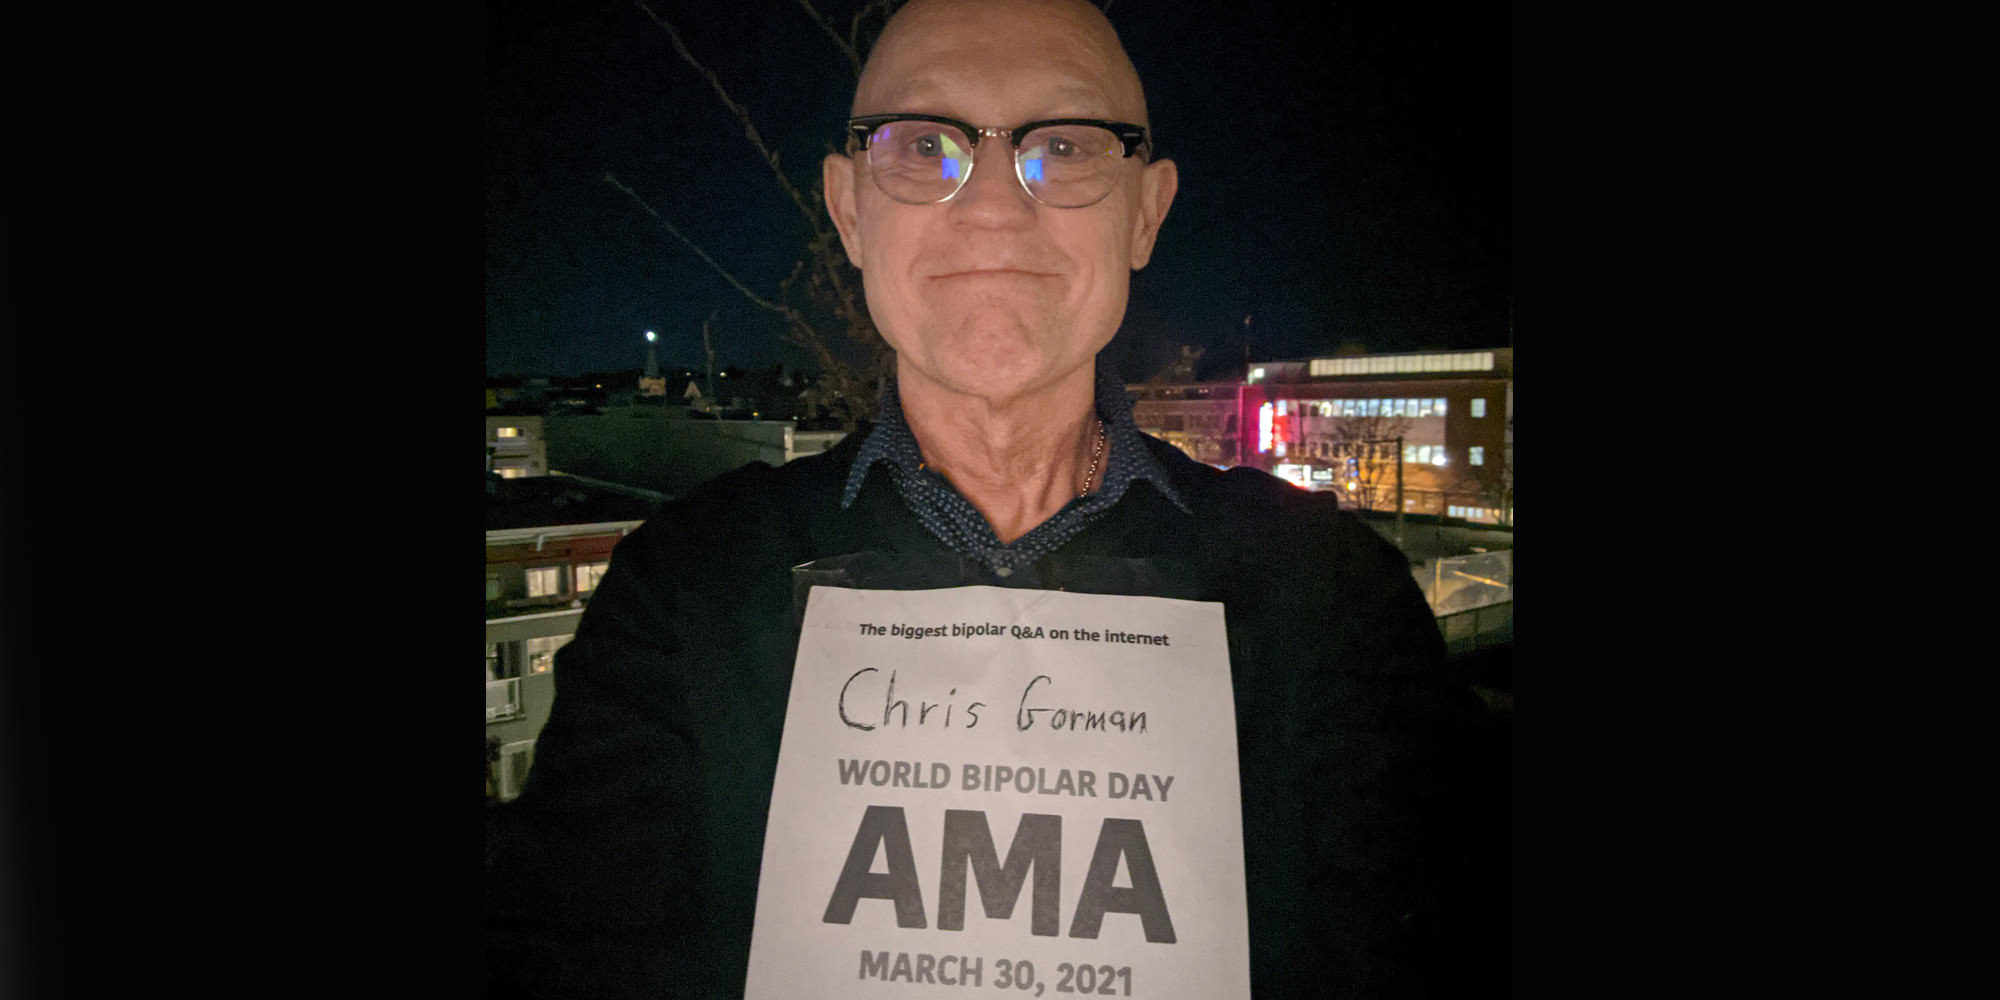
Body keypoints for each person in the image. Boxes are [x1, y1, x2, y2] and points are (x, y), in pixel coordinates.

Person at [486, 1, 1472, 996]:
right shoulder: (683, 587)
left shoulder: (1332, 597)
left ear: (1145, 212)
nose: (994, 205)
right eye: (923, 144)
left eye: (1064, 144)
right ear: (847, 209)